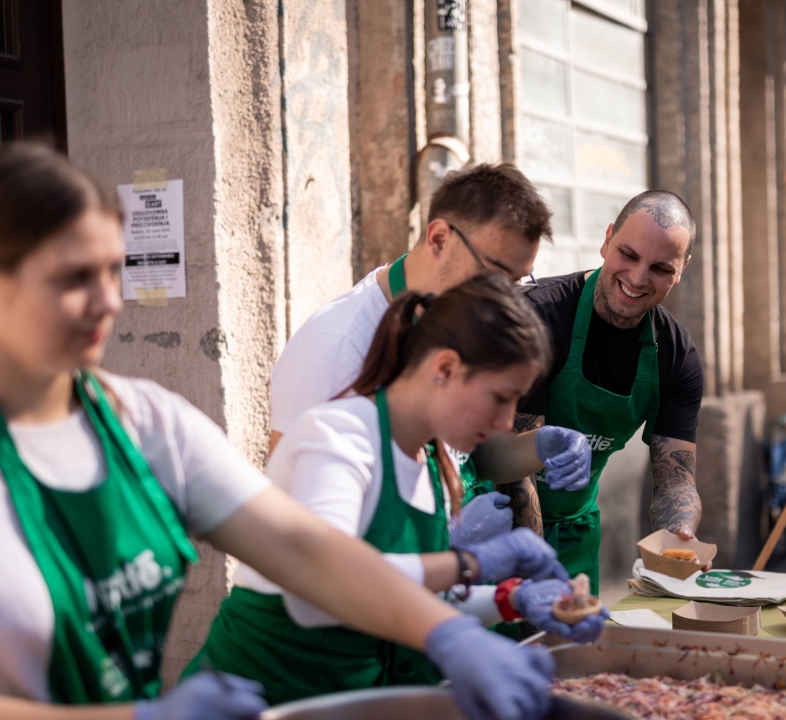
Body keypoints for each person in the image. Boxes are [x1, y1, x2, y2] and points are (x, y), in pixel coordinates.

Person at [0, 142, 556, 720]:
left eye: (113, 271)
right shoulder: (337, 382)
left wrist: (461, 624)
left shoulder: (145, 423)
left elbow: (307, 548)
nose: (109, 301)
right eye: (72, 277)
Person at [188, 275, 608, 705]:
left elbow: (412, 604)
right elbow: (319, 592)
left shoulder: (429, 463)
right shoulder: (337, 438)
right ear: (444, 368)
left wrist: (511, 598)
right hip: (263, 700)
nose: (506, 422)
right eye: (500, 398)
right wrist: (469, 562)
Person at [269, 163, 591, 504]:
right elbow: (294, 519)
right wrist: (452, 555)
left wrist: (537, 446)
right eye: (496, 277)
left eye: (517, 283)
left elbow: (467, 457)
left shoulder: (458, 319)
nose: (506, 298)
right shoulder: (336, 348)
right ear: (439, 238)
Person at [508, 190, 706, 590]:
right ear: (606, 239)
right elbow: (514, 474)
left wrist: (679, 532)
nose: (637, 278)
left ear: (682, 268)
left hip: (576, 535)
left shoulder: (676, 355)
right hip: (504, 530)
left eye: (660, 268)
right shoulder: (537, 320)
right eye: (628, 255)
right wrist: (532, 581)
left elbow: (675, 478)